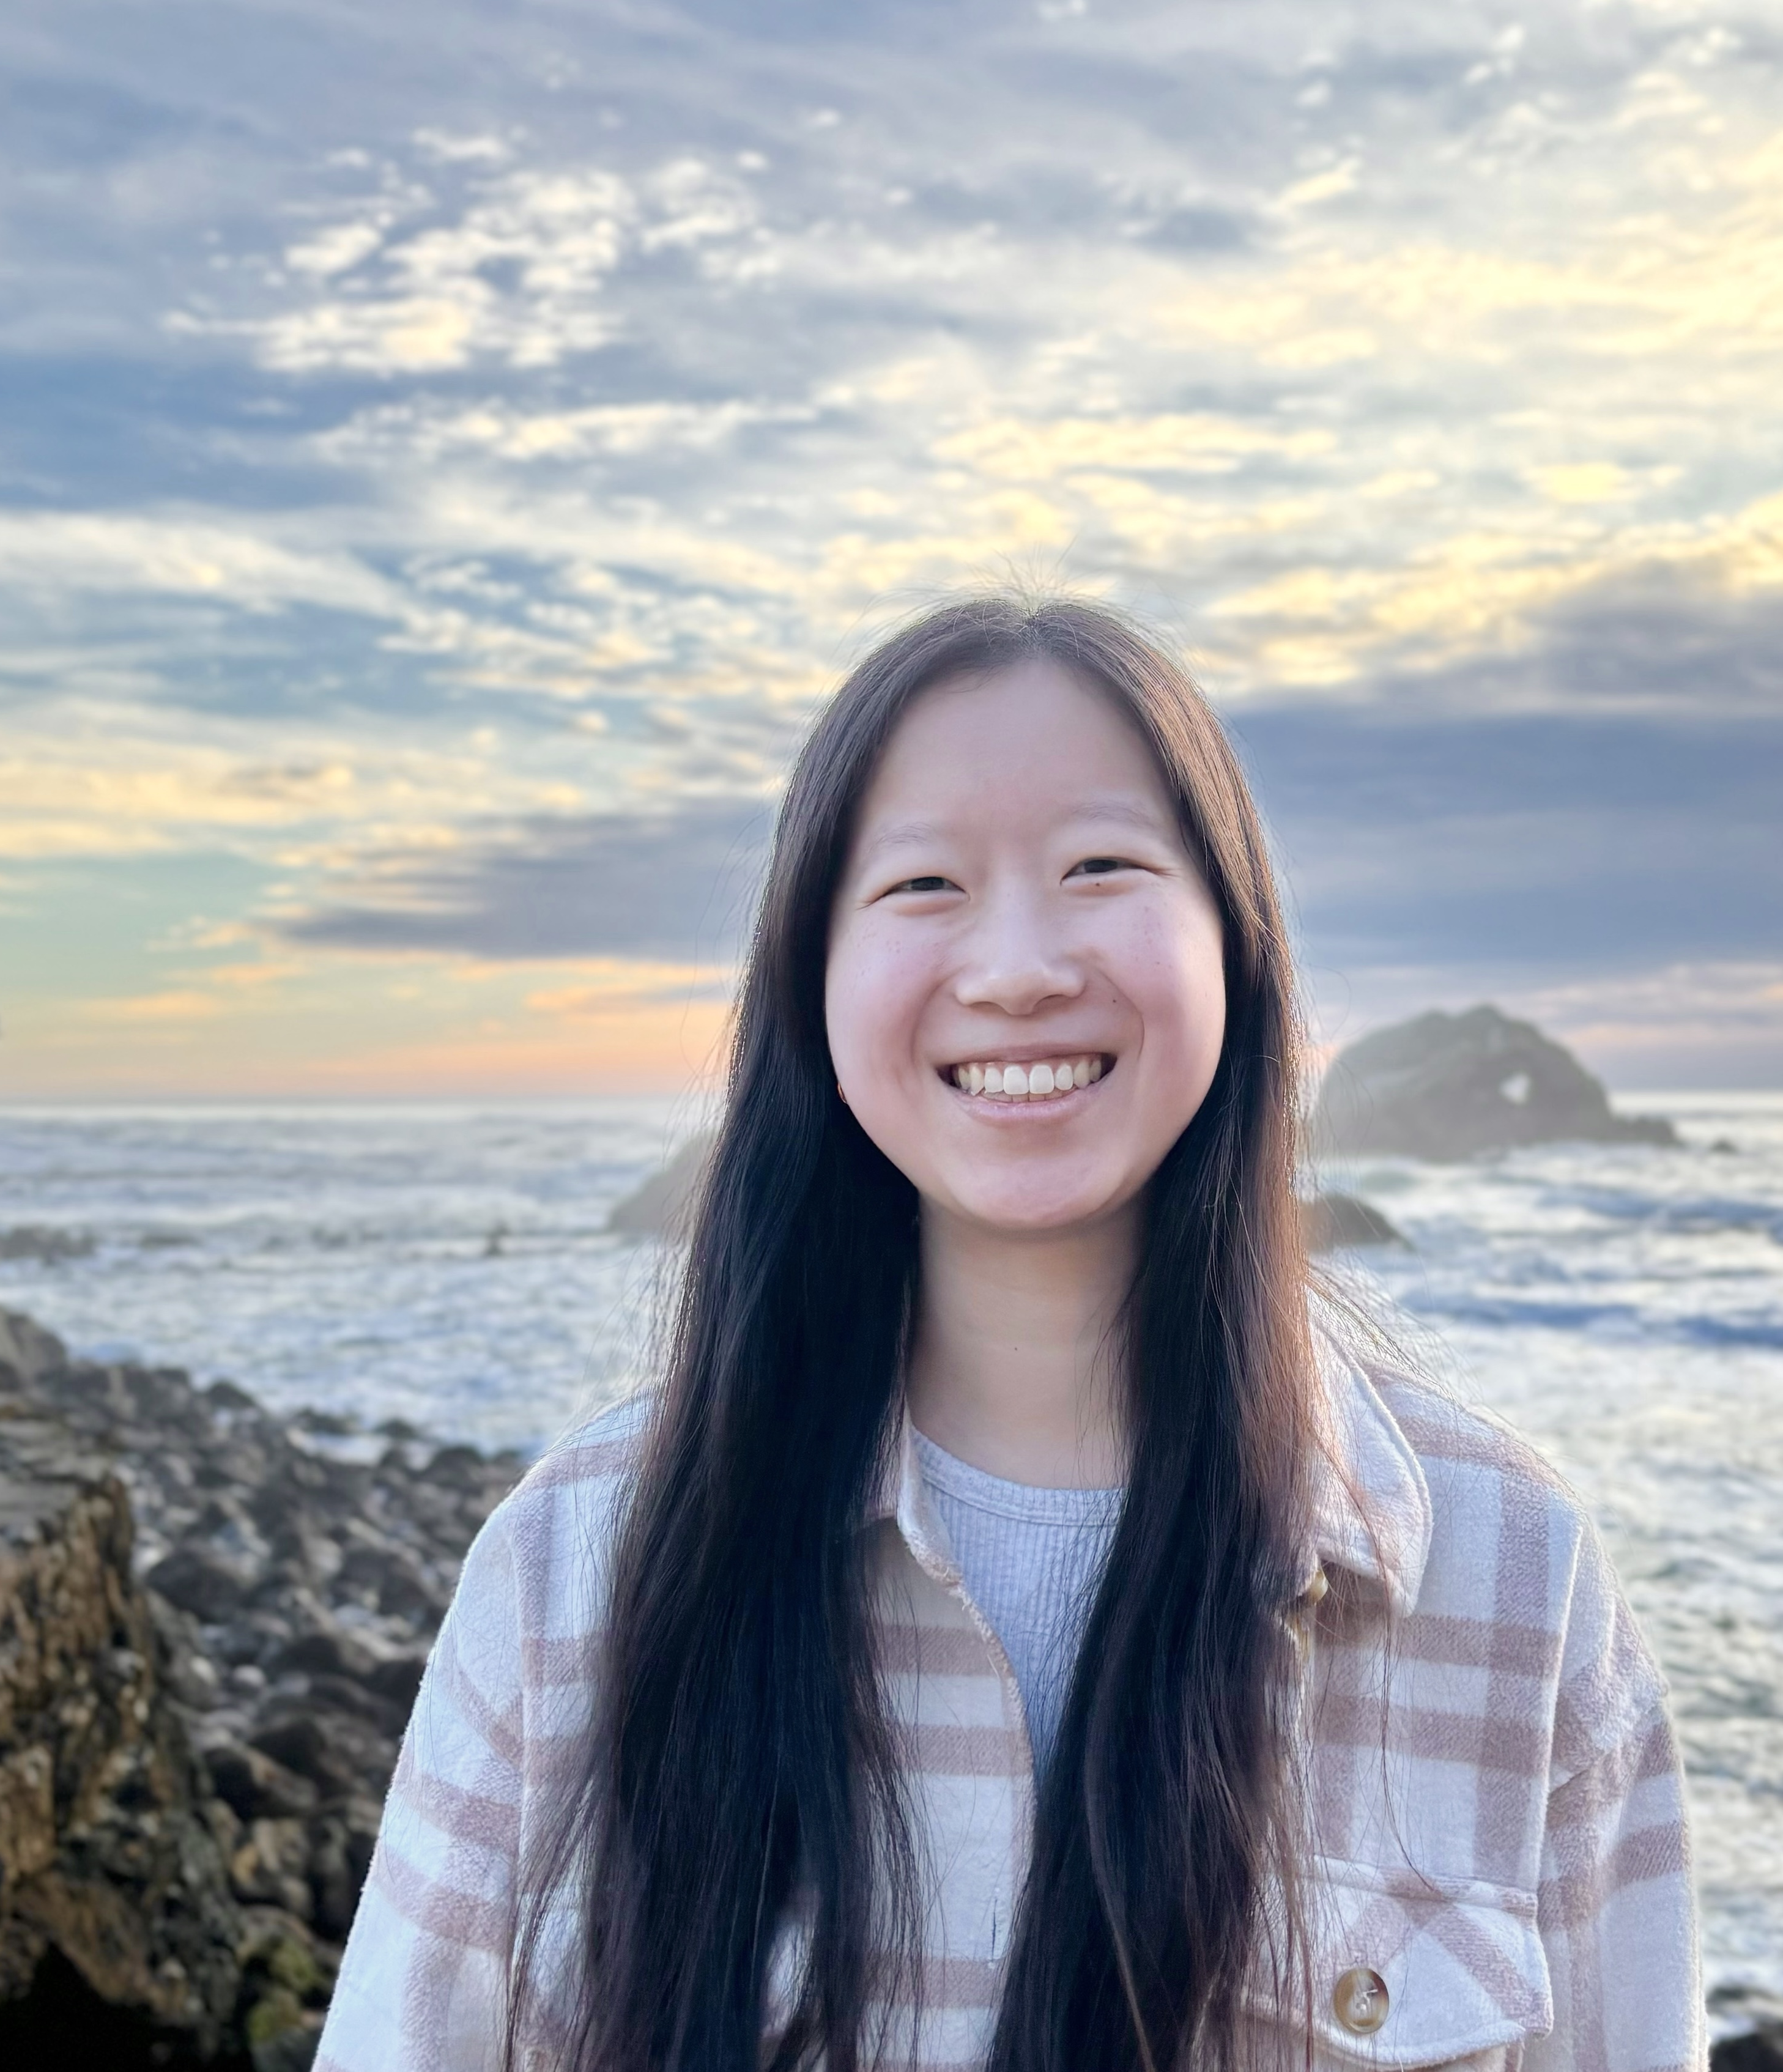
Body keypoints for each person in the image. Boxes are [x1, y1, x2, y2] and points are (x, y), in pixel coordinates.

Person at [317, 593, 1703, 2072]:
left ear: (1232, 946)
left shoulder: (1511, 1577)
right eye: (923, 885)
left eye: (1099, 865)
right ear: (812, 976)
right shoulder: (578, 1568)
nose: (1019, 965)